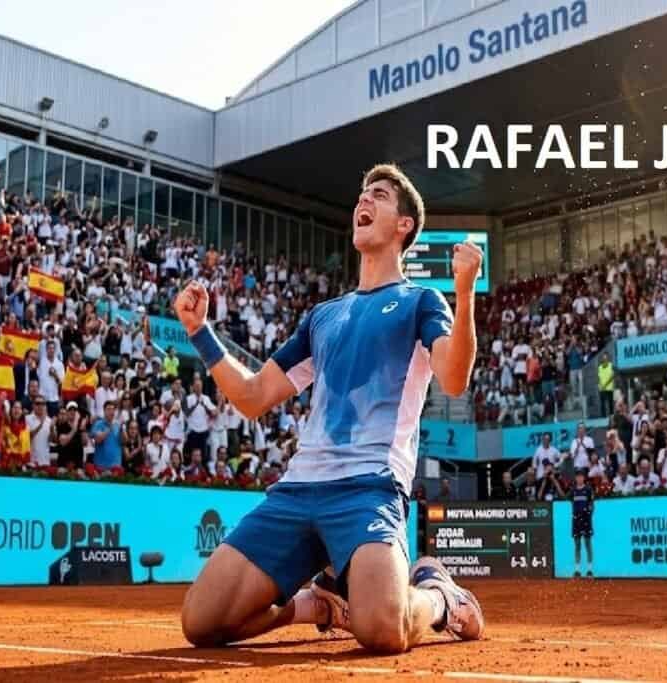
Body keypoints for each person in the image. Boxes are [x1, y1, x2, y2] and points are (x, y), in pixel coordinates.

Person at [175, 164, 484, 653]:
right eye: (362, 194)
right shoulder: (323, 316)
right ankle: (317, 606)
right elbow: (254, 397)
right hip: (298, 491)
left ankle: (442, 597)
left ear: (404, 225)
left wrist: (463, 294)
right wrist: (200, 333)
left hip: (367, 489)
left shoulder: (422, 301)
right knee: (202, 622)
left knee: (382, 629)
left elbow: (453, 376)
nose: (364, 200)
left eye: (379, 196)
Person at [570, 468, 594, 578]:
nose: (579, 478)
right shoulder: (573, 490)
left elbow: (592, 505)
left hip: (586, 520)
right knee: (577, 545)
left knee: (588, 544)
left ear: (584, 478)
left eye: (581, 476)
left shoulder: (588, 489)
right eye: (577, 476)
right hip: (576, 520)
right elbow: (571, 503)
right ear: (575, 478)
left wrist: (588, 515)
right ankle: (577, 570)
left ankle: (589, 570)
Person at [90, 400, 123, 471]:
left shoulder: (118, 425)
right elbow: (98, 440)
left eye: (113, 409)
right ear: (104, 411)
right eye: (109, 409)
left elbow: (123, 442)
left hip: (116, 465)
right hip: (101, 466)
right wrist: (110, 427)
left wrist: (122, 429)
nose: (111, 411)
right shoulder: (98, 424)